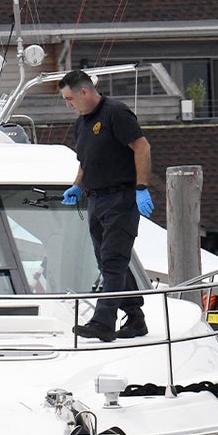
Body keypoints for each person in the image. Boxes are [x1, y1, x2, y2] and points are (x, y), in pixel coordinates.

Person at [58, 69, 153, 342]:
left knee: (113, 260)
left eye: (69, 99)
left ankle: (103, 321)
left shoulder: (115, 113)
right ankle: (135, 318)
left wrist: (142, 188)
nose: (69, 105)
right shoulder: (82, 123)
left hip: (120, 198)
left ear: (84, 92)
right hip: (96, 199)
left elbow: (142, 147)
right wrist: (77, 185)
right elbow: (86, 160)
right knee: (109, 262)